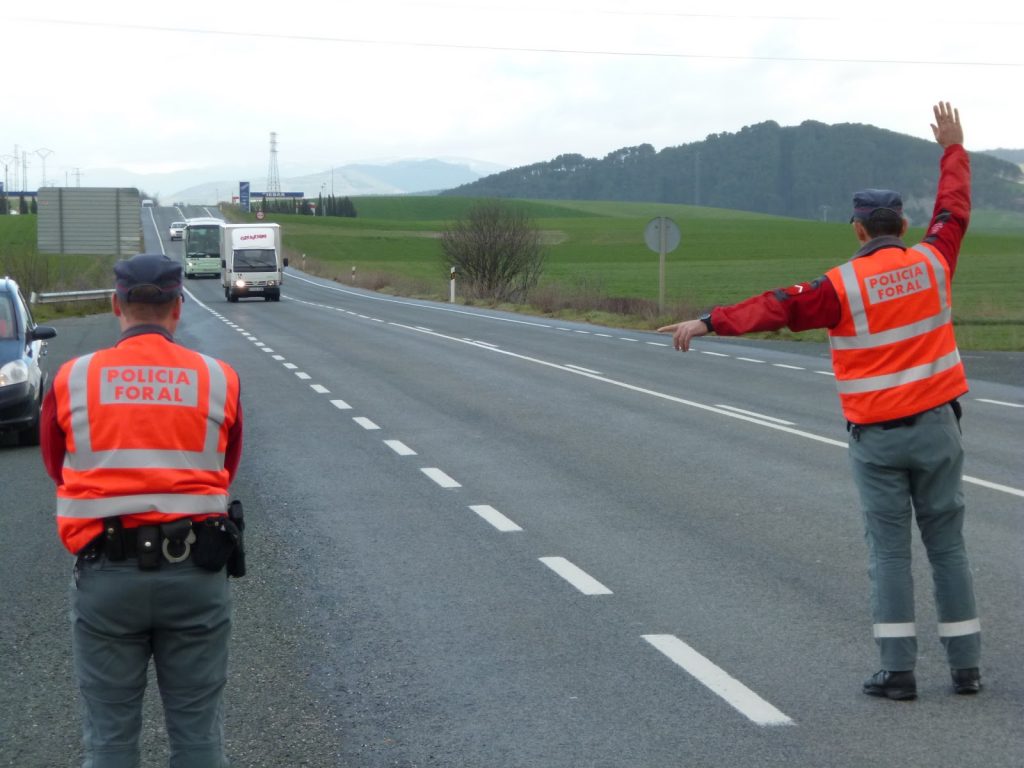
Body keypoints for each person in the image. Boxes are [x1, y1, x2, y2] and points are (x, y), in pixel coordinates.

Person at [658, 102, 981, 701]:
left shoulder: (838, 287)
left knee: (889, 552)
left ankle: (899, 671)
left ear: (858, 229)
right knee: (948, 545)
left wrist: (707, 321)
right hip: (939, 430)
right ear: (902, 225)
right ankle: (966, 667)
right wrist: (953, 149)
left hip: (878, 440)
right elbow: (954, 210)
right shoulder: (935, 261)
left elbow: (776, 306)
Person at [40, 253, 245, 766]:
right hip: (196, 573)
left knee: (109, 741)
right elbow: (227, 465)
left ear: (117, 304)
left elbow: (55, 466)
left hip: (107, 575)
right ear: (179, 306)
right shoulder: (218, 378)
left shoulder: (73, 377)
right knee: (199, 741)